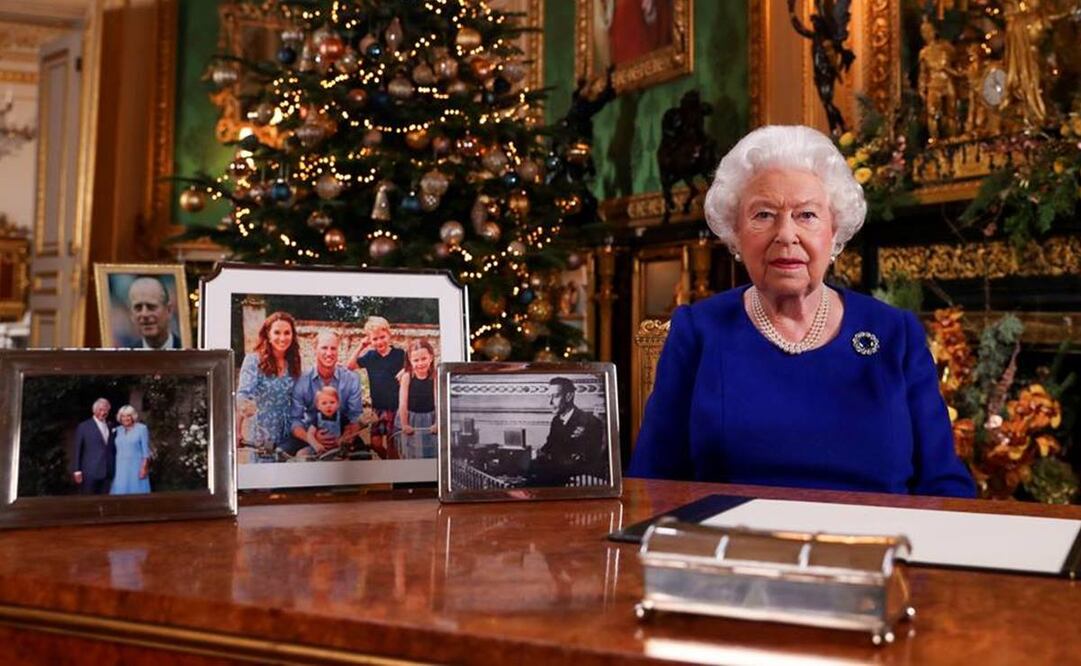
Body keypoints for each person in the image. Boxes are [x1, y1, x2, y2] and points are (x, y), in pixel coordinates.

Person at [628, 125, 976, 497]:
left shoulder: (895, 333)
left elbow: (944, 482)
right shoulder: (699, 331)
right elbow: (652, 481)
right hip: (733, 547)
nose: (786, 235)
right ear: (735, 232)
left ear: (834, 229)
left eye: (806, 215)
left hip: (874, 549)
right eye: (763, 215)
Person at [288, 330, 362, 458]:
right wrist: (312, 439)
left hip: (343, 434)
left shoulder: (352, 379)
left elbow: (355, 417)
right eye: (324, 348)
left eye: (333, 348)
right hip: (309, 433)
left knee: (363, 459)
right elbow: (295, 420)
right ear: (315, 349)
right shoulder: (301, 380)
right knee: (284, 454)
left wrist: (344, 439)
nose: (329, 353)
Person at [236, 311, 302, 454]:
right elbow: (243, 396)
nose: (282, 338)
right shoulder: (253, 360)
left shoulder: (293, 362)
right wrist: (237, 430)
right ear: (268, 335)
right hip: (262, 435)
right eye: (277, 332)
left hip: (288, 437)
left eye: (287, 333)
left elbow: (299, 398)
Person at [348, 316, 406, 459]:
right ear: (370, 340)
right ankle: (386, 459)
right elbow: (350, 366)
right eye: (375, 339)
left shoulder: (399, 354)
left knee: (393, 444)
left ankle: (393, 467)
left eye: (382, 337)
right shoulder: (370, 356)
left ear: (389, 334)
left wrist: (405, 370)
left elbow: (412, 366)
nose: (379, 342)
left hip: (395, 407)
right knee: (375, 444)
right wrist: (361, 346)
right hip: (377, 409)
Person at [531, 377, 607, 486]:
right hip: (556, 473)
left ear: (569, 396)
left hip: (576, 480)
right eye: (549, 396)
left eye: (555, 396)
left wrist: (549, 458)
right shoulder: (556, 420)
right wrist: (536, 453)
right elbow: (549, 446)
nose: (550, 402)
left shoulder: (590, 422)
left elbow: (588, 459)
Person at [398, 339, 438, 460]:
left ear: (430, 357)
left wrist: (437, 423)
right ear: (410, 361)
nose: (420, 363)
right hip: (412, 418)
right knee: (411, 452)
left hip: (430, 419)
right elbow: (403, 403)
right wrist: (405, 424)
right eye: (416, 360)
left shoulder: (435, 376)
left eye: (424, 359)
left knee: (432, 450)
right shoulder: (406, 377)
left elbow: (438, 401)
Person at [118, 276, 181, 349]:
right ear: (131, 315)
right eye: (138, 308)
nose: (144, 314)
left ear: (169, 310)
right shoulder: (126, 357)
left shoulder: (187, 350)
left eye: (151, 307)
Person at [71, 398, 117, 495]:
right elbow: (77, 449)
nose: (103, 412)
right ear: (94, 410)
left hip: (107, 472)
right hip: (90, 472)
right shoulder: (84, 426)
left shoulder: (111, 426)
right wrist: (76, 470)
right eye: (100, 410)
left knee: (105, 502)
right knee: (88, 501)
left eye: (106, 410)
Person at [110, 405, 151, 495]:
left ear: (133, 416)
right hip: (120, 467)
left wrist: (144, 468)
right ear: (120, 417)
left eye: (128, 415)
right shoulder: (117, 430)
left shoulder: (142, 429)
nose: (125, 418)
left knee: (137, 494)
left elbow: (145, 452)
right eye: (123, 416)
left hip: (136, 467)